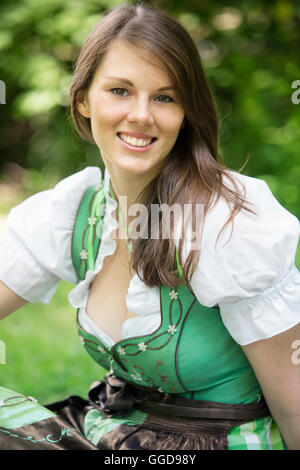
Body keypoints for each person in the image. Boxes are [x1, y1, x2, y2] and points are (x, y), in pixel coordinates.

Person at [0, 3, 299, 451]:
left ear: (186, 112)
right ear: (83, 99)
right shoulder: (75, 211)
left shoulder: (224, 223)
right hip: (112, 435)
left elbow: (294, 404)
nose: (141, 114)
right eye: (120, 90)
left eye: (165, 96)